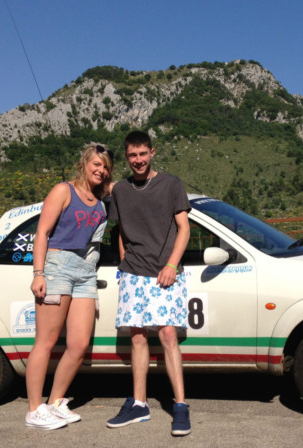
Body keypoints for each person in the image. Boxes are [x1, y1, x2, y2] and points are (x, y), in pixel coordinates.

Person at [106, 130, 192, 436]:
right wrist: (124, 264)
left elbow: (184, 229)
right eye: (132, 155)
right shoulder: (120, 191)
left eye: (143, 154)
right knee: (138, 338)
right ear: (127, 157)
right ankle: (139, 404)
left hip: (166, 273)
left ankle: (180, 406)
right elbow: (119, 231)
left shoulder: (171, 184)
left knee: (169, 336)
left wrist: (171, 265)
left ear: (152, 153)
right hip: (133, 274)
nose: (138, 160)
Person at [25, 143, 113, 430]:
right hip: (57, 265)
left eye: (106, 167)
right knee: (46, 342)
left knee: (78, 344)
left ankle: (55, 402)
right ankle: (34, 409)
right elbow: (42, 232)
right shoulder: (64, 191)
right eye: (96, 165)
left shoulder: (100, 201)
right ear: (84, 163)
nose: (101, 170)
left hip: (86, 272)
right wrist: (39, 273)